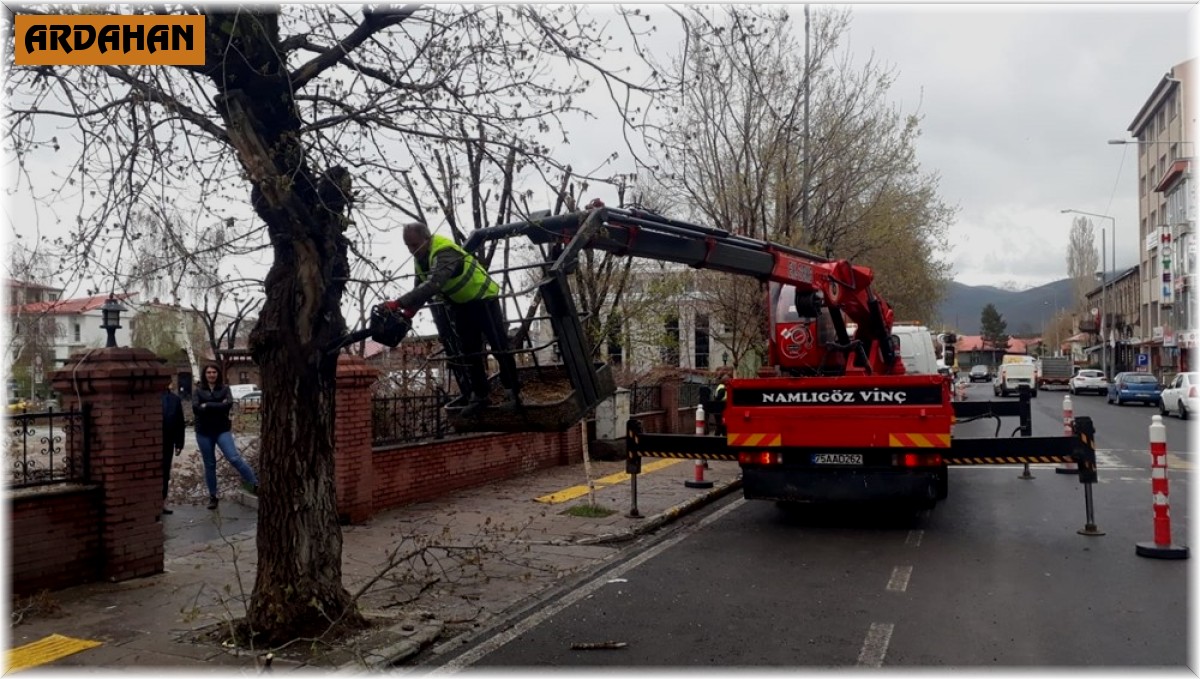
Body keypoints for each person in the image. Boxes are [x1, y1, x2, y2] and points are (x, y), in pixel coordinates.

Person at [381, 221, 520, 417]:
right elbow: (420, 287)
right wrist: (409, 312)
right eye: (408, 246)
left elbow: (434, 284)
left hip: (484, 299)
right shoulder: (421, 259)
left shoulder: (445, 251)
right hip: (462, 305)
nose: (412, 250)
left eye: (414, 244)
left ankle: (513, 393)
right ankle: (480, 396)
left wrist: (398, 303)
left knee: (499, 347)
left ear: (427, 239)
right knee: (469, 352)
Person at [192, 363, 258, 510]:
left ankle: (255, 483)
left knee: (234, 457)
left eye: (214, 372)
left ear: (218, 374)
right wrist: (217, 405)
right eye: (208, 372)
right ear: (204, 374)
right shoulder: (198, 391)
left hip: (222, 430)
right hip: (203, 432)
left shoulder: (225, 389)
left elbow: (228, 405)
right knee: (210, 464)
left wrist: (207, 405)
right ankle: (213, 497)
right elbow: (196, 409)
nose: (211, 375)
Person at [161, 377, 186, 516]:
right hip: (151, 439)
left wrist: (179, 443)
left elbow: (179, 422)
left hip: (168, 440)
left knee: (165, 472)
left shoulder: (174, 399)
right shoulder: (149, 397)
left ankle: (162, 502)